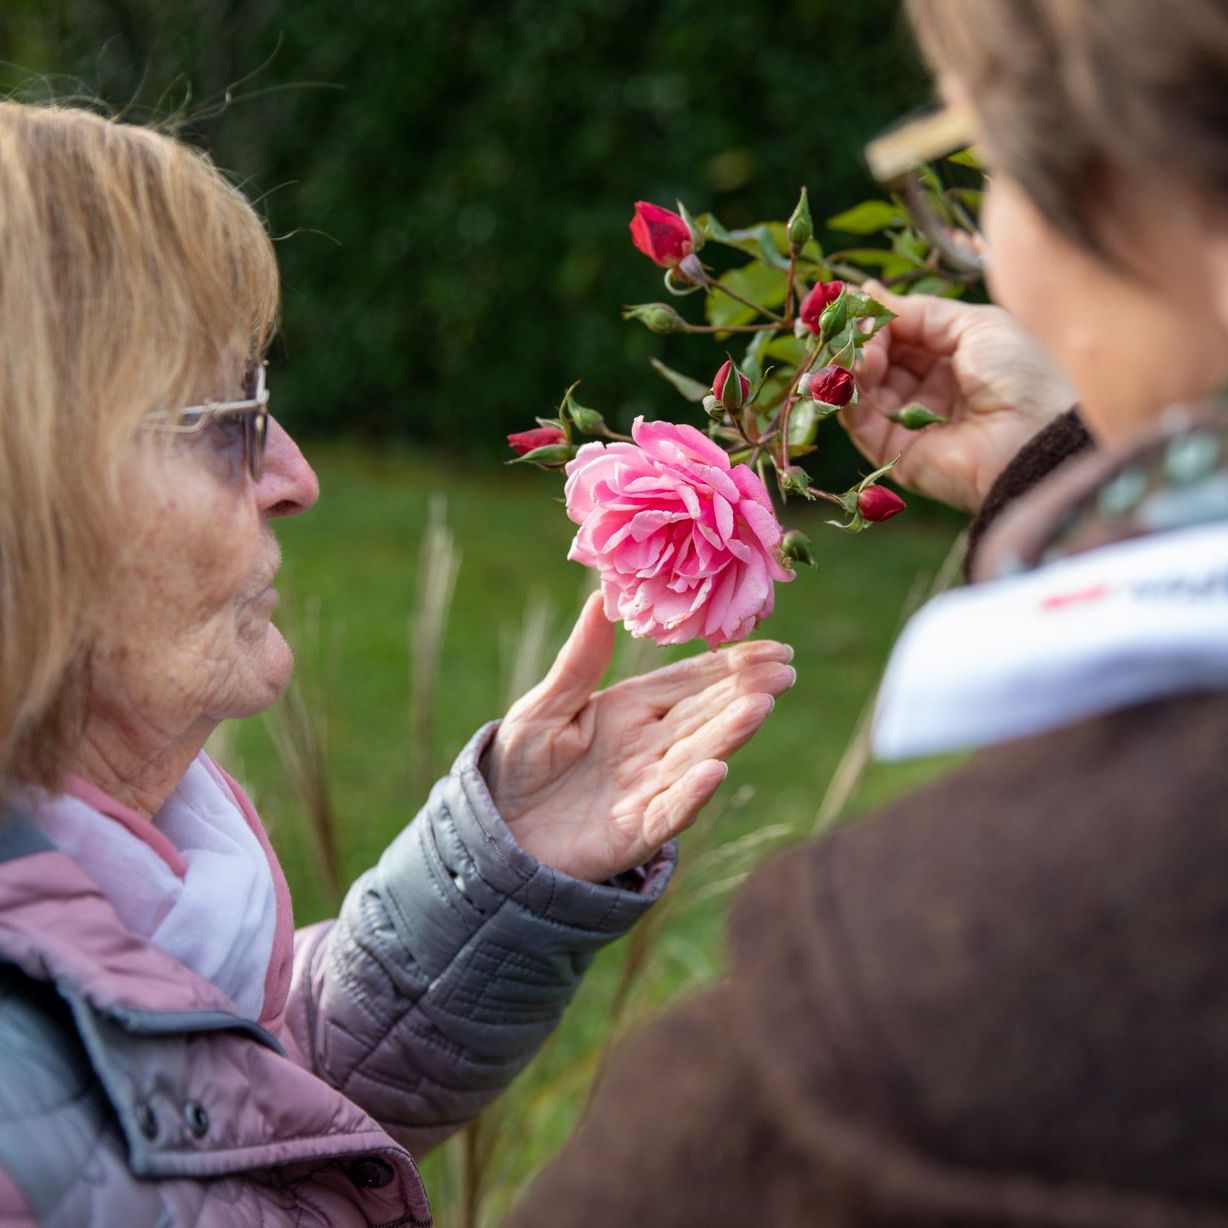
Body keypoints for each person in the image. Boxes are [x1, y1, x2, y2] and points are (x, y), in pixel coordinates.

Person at [0, 102, 798, 1225]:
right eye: (227, 419)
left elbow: (214, 1111)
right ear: (28, 495)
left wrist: (498, 871)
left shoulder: (153, 884)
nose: (296, 477)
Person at [505, 1, 1228, 1225]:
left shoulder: (891, 1020)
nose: (986, 250)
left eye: (979, 160)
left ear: (1164, 206)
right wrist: (1057, 457)